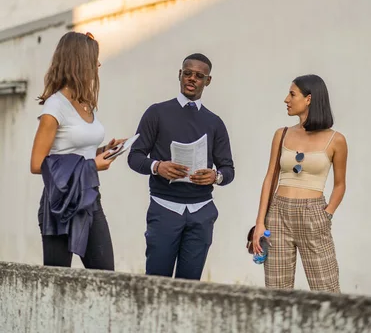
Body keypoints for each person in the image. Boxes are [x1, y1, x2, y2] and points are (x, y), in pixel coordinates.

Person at [128, 53, 235, 280]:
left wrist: (215, 177)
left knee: (191, 287)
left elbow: (228, 170)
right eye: (187, 73)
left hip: (201, 212)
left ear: (208, 81)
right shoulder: (156, 112)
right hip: (164, 208)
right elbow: (134, 157)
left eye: (199, 75)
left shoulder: (215, 122)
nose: (192, 79)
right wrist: (157, 166)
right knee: (157, 284)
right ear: (179, 75)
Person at [30, 31, 124, 270]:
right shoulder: (55, 107)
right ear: (79, 62)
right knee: (58, 280)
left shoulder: (86, 103)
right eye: (94, 59)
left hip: (90, 198)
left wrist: (104, 150)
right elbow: (37, 164)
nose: (98, 65)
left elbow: (77, 151)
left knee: (105, 277)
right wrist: (92, 165)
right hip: (60, 203)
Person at [253, 74, 347, 293]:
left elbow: (340, 184)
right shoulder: (281, 134)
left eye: (292, 94)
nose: (286, 99)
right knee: (277, 293)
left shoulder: (337, 140)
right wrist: (260, 223)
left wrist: (327, 214)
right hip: (277, 214)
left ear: (309, 99)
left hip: (314, 215)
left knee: (327, 291)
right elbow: (270, 178)